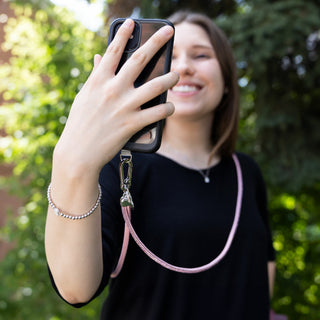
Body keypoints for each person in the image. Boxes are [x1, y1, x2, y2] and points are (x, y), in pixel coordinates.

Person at [45, 10, 276, 320]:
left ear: (226, 81)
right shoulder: (120, 166)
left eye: (201, 55)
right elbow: (75, 288)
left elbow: (263, 274)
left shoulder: (245, 171)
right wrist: (71, 160)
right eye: (170, 55)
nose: (183, 67)